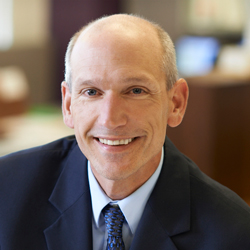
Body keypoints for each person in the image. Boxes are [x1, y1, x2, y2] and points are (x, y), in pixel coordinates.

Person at [0, 14, 250, 250]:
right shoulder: (7, 191)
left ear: (176, 103)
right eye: (91, 92)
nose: (110, 119)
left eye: (135, 91)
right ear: (68, 105)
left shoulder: (232, 232)